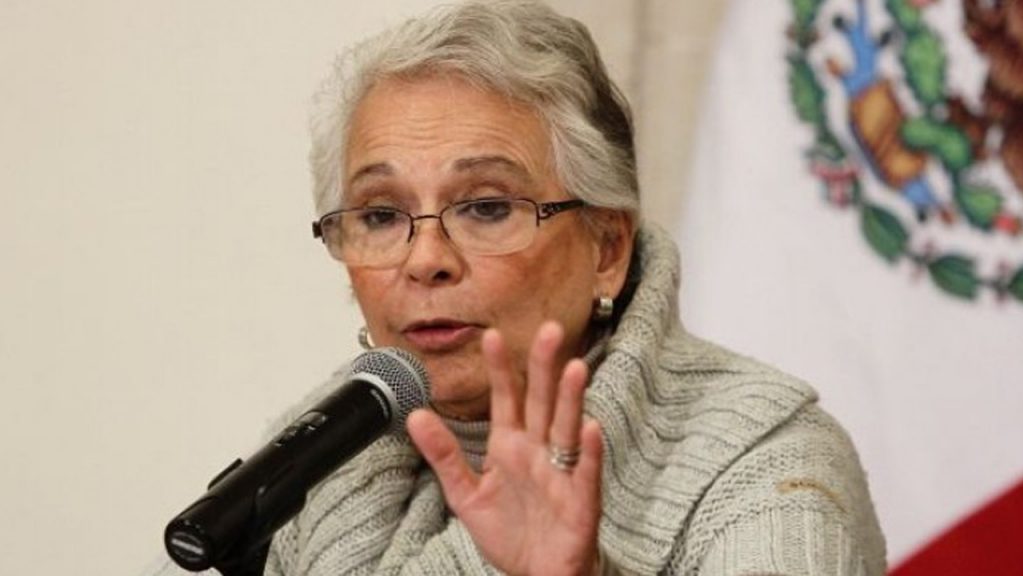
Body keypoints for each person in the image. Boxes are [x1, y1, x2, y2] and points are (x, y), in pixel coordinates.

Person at [160, 1, 886, 574]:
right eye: (381, 215)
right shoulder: (315, 456)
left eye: (485, 207)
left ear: (607, 248)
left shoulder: (769, 465)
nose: (425, 259)